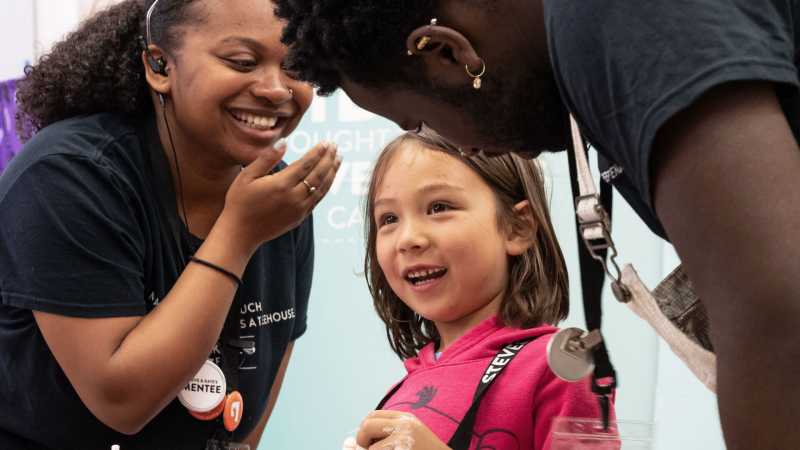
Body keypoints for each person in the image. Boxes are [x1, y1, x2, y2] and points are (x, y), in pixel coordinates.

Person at [273, 2, 800, 449]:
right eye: (388, 218)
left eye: (416, 119)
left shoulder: (618, 20)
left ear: (448, 52)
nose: (457, 146)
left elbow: (774, 311)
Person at [0, 0, 340, 448]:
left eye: (296, 65)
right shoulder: (69, 175)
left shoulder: (276, 197)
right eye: (243, 62)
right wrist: (237, 237)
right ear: (159, 65)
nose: (277, 89)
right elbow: (123, 402)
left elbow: (242, 421)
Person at [345, 130, 612, 450]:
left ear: (518, 226)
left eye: (439, 207)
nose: (408, 238)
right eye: (388, 218)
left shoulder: (563, 366)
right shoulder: (403, 388)